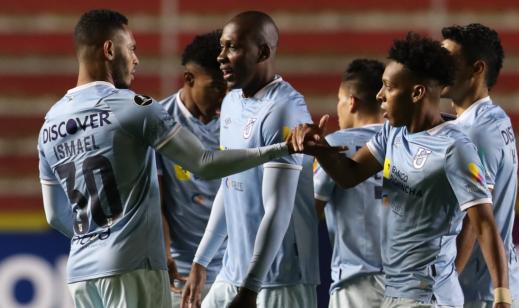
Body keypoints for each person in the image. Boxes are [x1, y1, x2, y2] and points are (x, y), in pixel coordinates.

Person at [37, 9, 296, 308]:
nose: (136, 59)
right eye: (131, 48)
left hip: (81, 272)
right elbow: (204, 163)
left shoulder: (50, 122)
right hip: (132, 264)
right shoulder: (134, 107)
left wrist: (98, 240)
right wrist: (281, 148)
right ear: (109, 50)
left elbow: (55, 215)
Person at [290, 32, 511, 307]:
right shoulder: (392, 134)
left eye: (388, 87)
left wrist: (502, 296)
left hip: (429, 296)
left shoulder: (454, 147)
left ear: (417, 92)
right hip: (395, 292)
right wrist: (319, 148)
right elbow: (349, 175)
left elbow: (483, 223)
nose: (380, 96)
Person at [181, 10, 319, 308]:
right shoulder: (231, 101)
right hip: (234, 272)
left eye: (233, 47)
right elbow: (229, 186)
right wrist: (201, 261)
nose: (221, 56)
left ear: (263, 52)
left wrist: (251, 288)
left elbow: (277, 209)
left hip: (279, 281)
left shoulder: (283, 109)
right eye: (221, 46)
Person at [441, 23, 519, 308]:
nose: (439, 69)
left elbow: (474, 220)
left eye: (448, 61)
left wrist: (448, 283)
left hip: (478, 292)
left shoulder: (476, 132)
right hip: (492, 284)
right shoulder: (495, 117)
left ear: (477, 68)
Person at [156, 30, 227, 307]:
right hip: (180, 275)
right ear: (189, 78)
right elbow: (156, 201)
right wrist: (164, 254)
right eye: (216, 87)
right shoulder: (159, 123)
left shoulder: (236, 123)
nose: (224, 96)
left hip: (230, 271)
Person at [314, 59, 386, 308]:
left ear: (352, 102)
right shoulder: (406, 142)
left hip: (356, 285)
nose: (338, 108)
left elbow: (309, 211)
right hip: (408, 282)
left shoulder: (334, 147)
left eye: (339, 100)